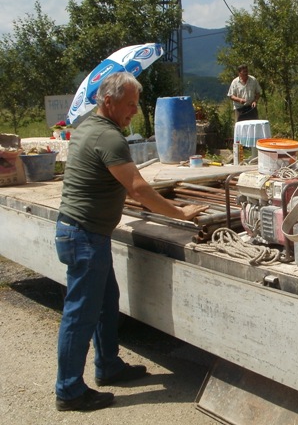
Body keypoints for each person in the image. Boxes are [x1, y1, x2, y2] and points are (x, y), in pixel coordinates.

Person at [54, 72, 207, 412]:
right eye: (130, 105)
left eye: (136, 106)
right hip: (84, 236)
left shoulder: (87, 128)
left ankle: (108, 366)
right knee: (80, 315)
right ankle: (68, 391)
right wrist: (181, 213)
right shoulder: (109, 138)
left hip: (85, 233)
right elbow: (137, 188)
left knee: (107, 302)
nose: (135, 113)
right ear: (108, 101)